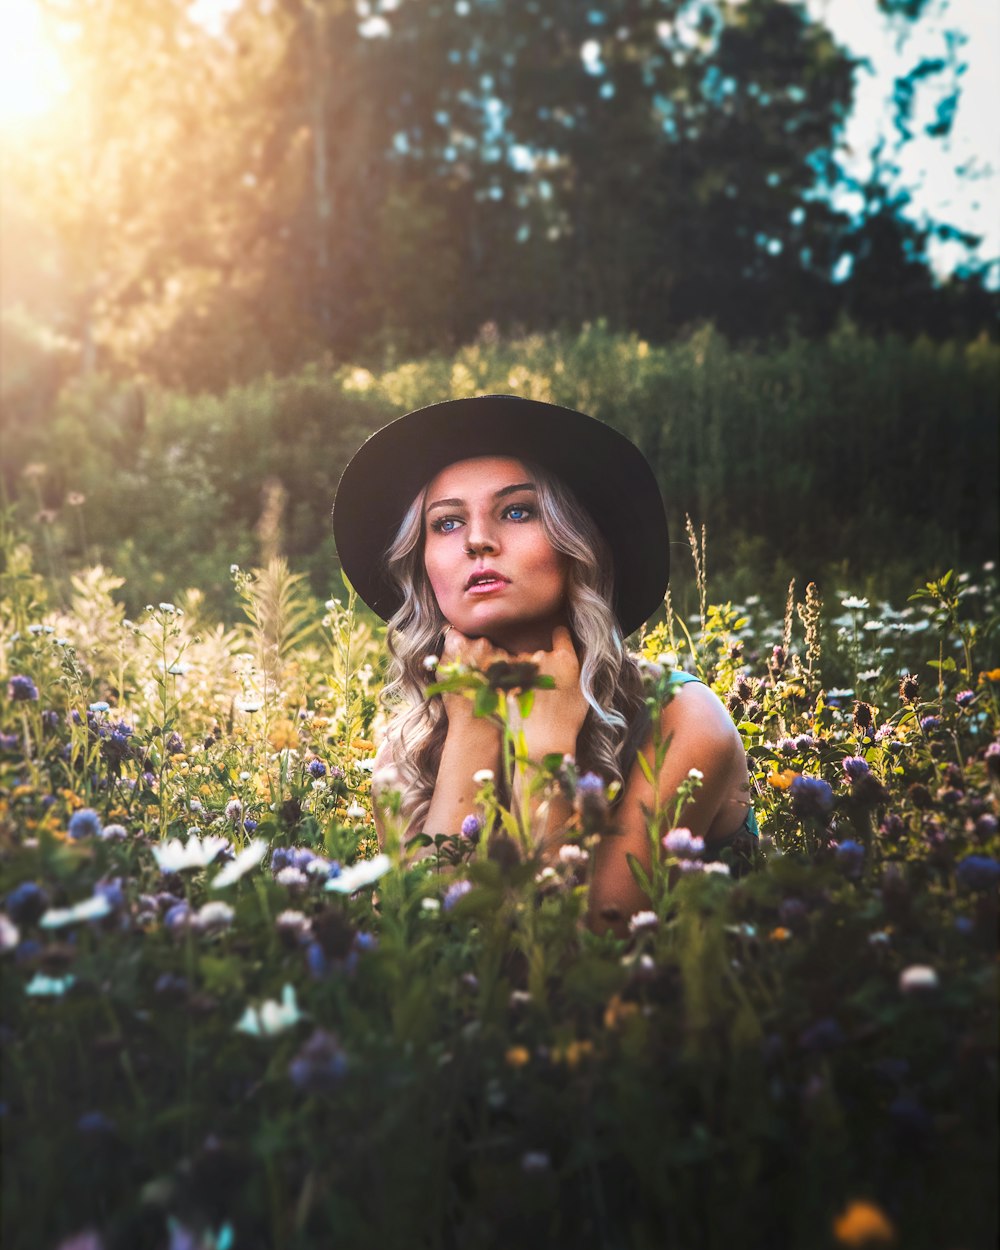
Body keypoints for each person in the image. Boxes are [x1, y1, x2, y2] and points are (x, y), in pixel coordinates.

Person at [333, 395, 755, 930]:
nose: (478, 541)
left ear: (575, 542)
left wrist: (546, 748)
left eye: (517, 511)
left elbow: (574, 960)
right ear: (422, 565)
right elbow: (419, 951)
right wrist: (471, 728)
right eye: (446, 523)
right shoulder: (407, 750)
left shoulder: (681, 719)